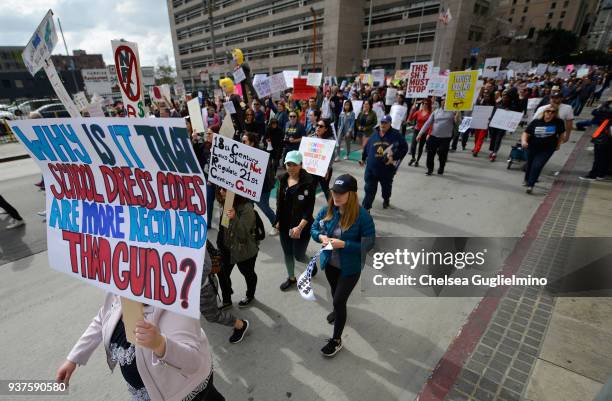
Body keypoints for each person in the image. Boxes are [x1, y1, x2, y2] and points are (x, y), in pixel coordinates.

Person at [56, 295, 225, 401]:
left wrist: (160, 344)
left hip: (187, 392)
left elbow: (193, 361)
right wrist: (73, 358)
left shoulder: (175, 299)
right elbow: (103, 316)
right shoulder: (120, 286)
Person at [311, 174, 375, 357]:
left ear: (352, 194)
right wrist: (320, 237)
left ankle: (336, 340)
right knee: (334, 293)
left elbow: (369, 244)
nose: (336, 196)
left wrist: (344, 244)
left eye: (341, 193)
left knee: (339, 299)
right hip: (330, 263)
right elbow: (314, 229)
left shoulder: (363, 217)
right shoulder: (327, 210)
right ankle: (337, 312)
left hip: (350, 267)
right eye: (334, 192)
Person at [274, 151, 316, 291]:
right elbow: (279, 203)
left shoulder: (308, 183)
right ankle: (291, 278)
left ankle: (312, 264)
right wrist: (277, 220)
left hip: (302, 226)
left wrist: (299, 227)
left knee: (299, 256)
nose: (291, 167)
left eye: (294, 165)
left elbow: (308, 210)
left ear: (301, 165)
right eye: (288, 164)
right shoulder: (282, 179)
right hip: (285, 225)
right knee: (287, 252)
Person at [215, 188, 259, 309]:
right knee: (223, 274)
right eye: (219, 188)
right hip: (226, 248)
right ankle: (227, 299)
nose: (221, 192)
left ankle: (250, 295)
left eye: (224, 189)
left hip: (243, 250)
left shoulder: (246, 208)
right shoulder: (225, 203)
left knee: (248, 273)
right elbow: (223, 226)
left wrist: (234, 218)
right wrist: (220, 244)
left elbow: (243, 234)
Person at [200, 241, 250, 344]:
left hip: (202, 287)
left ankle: (240, 325)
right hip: (183, 289)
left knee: (212, 316)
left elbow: (206, 266)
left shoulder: (192, 233)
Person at [360, 115, 408, 210]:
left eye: (386, 123)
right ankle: (366, 208)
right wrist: (363, 158)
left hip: (387, 170)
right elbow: (367, 147)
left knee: (386, 189)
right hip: (371, 169)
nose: (383, 124)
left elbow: (404, 148)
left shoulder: (396, 135)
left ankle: (386, 199)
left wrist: (394, 157)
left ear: (390, 123)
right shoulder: (374, 134)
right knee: (369, 189)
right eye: (382, 122)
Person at [521, 105, 566, 194]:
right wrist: (524, 141)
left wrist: (558, 144)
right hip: (532, 146)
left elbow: (561, 134)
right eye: (548, 111)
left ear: (555, 113)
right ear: (544, 112)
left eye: (553, 112)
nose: (550, 113)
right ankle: (527, 179)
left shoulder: (558, 122)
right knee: (530, 164)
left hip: (547, 149)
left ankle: (531, 185)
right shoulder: (536, 121)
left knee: (537, 165)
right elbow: (526, 132)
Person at [242, 132, 276, 228]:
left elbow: (267, 174)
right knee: (248, 207)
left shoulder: (261, 155)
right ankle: (251, 226)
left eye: (245, 141)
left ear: (252, 143)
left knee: (265, 209)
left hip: (262, 188)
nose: (242, 143)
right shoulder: (244, 153)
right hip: (249, 188)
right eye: (242, 141)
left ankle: (277, 226)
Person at [419, 100, 460, 176]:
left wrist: (457, 117)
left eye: (446, 100)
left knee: (442, 153)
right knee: (430, 154)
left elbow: (457, 124)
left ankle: (441, 167)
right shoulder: (436, 111)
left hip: (445, 138)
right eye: (442, 100)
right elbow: (428, 123)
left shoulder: (453, 112)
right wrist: (420, 133)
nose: (444, 102)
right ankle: (430, 169)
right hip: (433, 136)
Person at [309, 119, 334, 201]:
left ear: (326, 129)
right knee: (311, 190)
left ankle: (333, 209)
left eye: (321, 126)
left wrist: (327, 169)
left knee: (326, 189)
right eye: (317, 125)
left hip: (324, 170)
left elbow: (331, 157)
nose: (318, 128)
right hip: (312, 169)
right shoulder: (311, 137)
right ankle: (308, 211)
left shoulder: (330, 140)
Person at [407, 98, 432, 167]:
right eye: (423, 103)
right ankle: (413, 158)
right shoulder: (418, 112)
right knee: (413, 146)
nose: (424, 105)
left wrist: (429, 134)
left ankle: (417, 160)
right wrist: (412, 110)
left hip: (424, 132)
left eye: (426, 103)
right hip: (417, 130)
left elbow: (431, 125)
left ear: (429, 104)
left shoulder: (430, 114)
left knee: (421, 147)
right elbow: (410, 119)